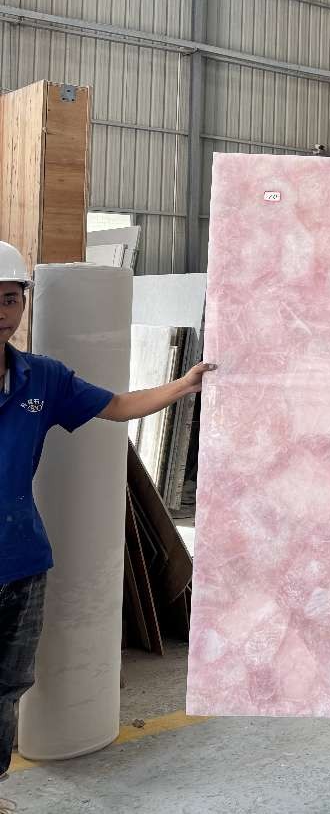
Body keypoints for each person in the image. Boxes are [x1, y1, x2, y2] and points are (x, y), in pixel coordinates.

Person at [0, 242, 214, 811]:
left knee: (7, 687)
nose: (1, 311)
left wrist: (184, 385)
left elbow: (116, 405)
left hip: (21, 562)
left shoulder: (40, 379)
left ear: (24, 303)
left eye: (10, 299)